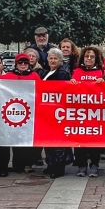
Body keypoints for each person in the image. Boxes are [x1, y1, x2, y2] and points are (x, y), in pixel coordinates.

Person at [0, 53, 41, 173]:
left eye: (25, 62)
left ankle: (27, 164)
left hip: (30, 111)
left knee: (26, 139)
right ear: (16, 64)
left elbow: (40, 90)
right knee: (15, 138)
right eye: (20, 62)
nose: (23, 65)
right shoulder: (9, 75)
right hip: (14, 111)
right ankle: (17, 164)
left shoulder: (34, 75)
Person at [71, 46, 105, 177]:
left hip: (95, 113)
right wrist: (71, 83)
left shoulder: (102, 72)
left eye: (92, 56)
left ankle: (94, 165)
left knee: (95, 141)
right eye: (87, 56)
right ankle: (81, 165)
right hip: (80, 113)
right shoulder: (76, 72)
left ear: (96, 59)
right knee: (79, 141)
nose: (89, 59)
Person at [42, 48, 73, 178]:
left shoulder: (62, 73)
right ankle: (50, 164)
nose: (53, 60)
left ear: (60, 61)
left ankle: (58, 168)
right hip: (46, 112)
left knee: (57, 142)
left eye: (55, 58)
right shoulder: (46, 72)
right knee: (48, 140)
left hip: (57, 112)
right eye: (51, 58)